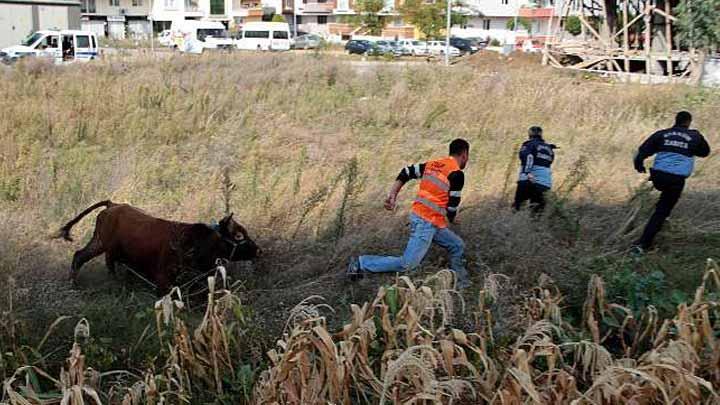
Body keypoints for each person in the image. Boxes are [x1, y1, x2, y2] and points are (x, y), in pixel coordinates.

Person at [347, 139, 471, 288]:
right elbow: (452, 207)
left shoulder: (433, 165)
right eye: (467, 156)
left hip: (429, 220)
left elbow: (406, 172)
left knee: (457, 245)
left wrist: (393, 194)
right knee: (407, 264)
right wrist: (453, 219)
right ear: (464, 154)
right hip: (426, 223)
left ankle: (461, 283)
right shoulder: (457, 174)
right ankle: (361, 263)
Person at [632, 111, 711, 253]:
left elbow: (642, 151)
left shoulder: (662, 134)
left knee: (663, 202)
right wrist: (691, 146)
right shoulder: (695, 136)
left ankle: (660, 228)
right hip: (676, 180)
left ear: (676, 120)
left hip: (658, 176)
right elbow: (705, 152)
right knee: (661, 211)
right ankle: (643, 244)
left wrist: (639, 165)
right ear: (688, 122)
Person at [513, 126, 556, 213]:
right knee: (537, 215)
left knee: (517, 209)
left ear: (529, 134)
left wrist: (527, 172)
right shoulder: (549, 149)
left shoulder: (528, 144)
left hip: (528, 180)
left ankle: (517, 224)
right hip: (544, 183)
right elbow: (550, 162)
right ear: (541, 134)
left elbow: (529, 156)